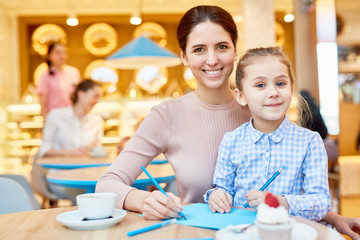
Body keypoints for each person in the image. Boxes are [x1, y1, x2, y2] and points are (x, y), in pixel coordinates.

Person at [95, 5, 360, 239]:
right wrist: (143, 200)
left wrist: (333, 218)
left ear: (235, 50)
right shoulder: (165, 116)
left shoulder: (262, 107)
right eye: (199, 50)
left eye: (221, 47)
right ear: (184, 57)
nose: (212, 60)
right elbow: (106, 185)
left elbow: (288, 190)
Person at [204, 47, 330, 221]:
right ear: (241, 96)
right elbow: (223, 189)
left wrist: (281, 202)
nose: (273, 93)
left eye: (280, 83)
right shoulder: (231, 140)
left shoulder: (309, 141)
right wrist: (216, 196)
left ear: (291, 89)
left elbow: (321, 202)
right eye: (260, 85)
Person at [38, 79, 104, 157]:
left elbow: (98, 151)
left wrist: (95, 151)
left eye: (99, 97)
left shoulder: (96, 121)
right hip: (60, 168)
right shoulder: (55, 116)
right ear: (81, 94)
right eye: (95, 96)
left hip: (87, 168)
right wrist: (69, 152)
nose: (97, 101)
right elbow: (44, 150)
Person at [37, 42, 81, 118]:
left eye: (64, 52)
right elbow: (43, 103)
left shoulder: (74, 72)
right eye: (58, 53)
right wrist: (46, 120)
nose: (62, 56)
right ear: (49, 55)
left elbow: (80, 97)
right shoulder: (45, 76)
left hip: (71, 115)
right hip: (54, 116)